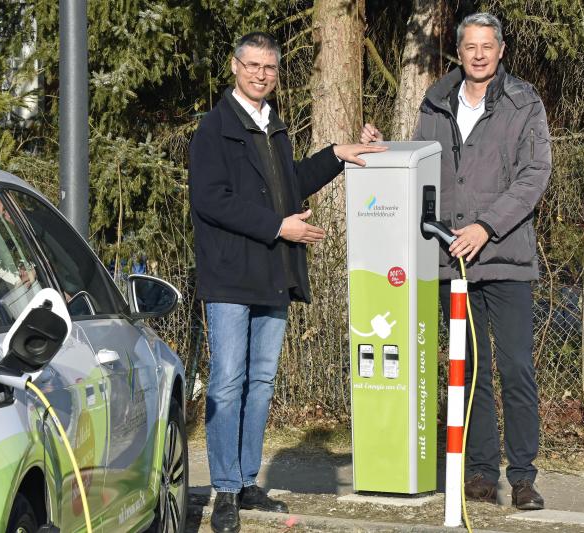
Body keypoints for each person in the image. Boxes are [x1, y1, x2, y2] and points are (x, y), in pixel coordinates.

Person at [189, 31, 386, 533]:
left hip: (273, 274)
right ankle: (225, 490)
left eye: (269, 68)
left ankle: (248, 480)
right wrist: (280, 226)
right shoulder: (214, 130)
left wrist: (339, 153)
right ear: (234, 67)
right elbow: (211, 200)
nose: (261, 75)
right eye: (252, 65)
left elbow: (288, 184)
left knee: (260, 383)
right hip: (231, 276)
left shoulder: (273, 126)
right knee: (228, 384)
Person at [361, 12, 551, 510]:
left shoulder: (523, 101)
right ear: (458, 49)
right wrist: (382, 151)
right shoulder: (435, 101)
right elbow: (420, 163)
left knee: (515, 368)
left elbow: (534, 175)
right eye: (471, 46)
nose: (480, 54)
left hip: (504, 257)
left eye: (488, 45)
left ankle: (524, 477)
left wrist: (486, 227)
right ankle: (482, 473)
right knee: (470, 372)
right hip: (452, 260)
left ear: (501, 50)